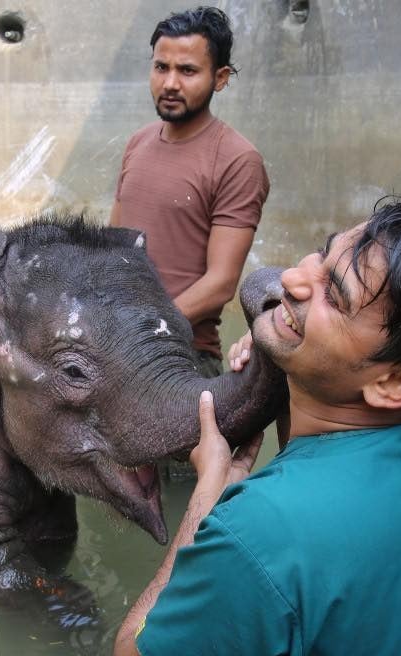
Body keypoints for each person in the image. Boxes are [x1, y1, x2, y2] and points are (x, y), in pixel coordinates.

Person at [0, 195, 401, 656]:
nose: (294, 279)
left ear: (396, 384)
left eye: (334, 295)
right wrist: (282, 377)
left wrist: (206, 501)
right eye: (319, 256)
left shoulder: (264, 530)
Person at [111, 6, 270, 378]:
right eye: (161, 67)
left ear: (221, 78)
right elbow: (113, 247)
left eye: (187, 71)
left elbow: (220, 284)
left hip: (182, 357)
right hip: (114, 344)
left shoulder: (237, 159)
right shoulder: (138, 143)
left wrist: (145, 331)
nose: (169, 83)